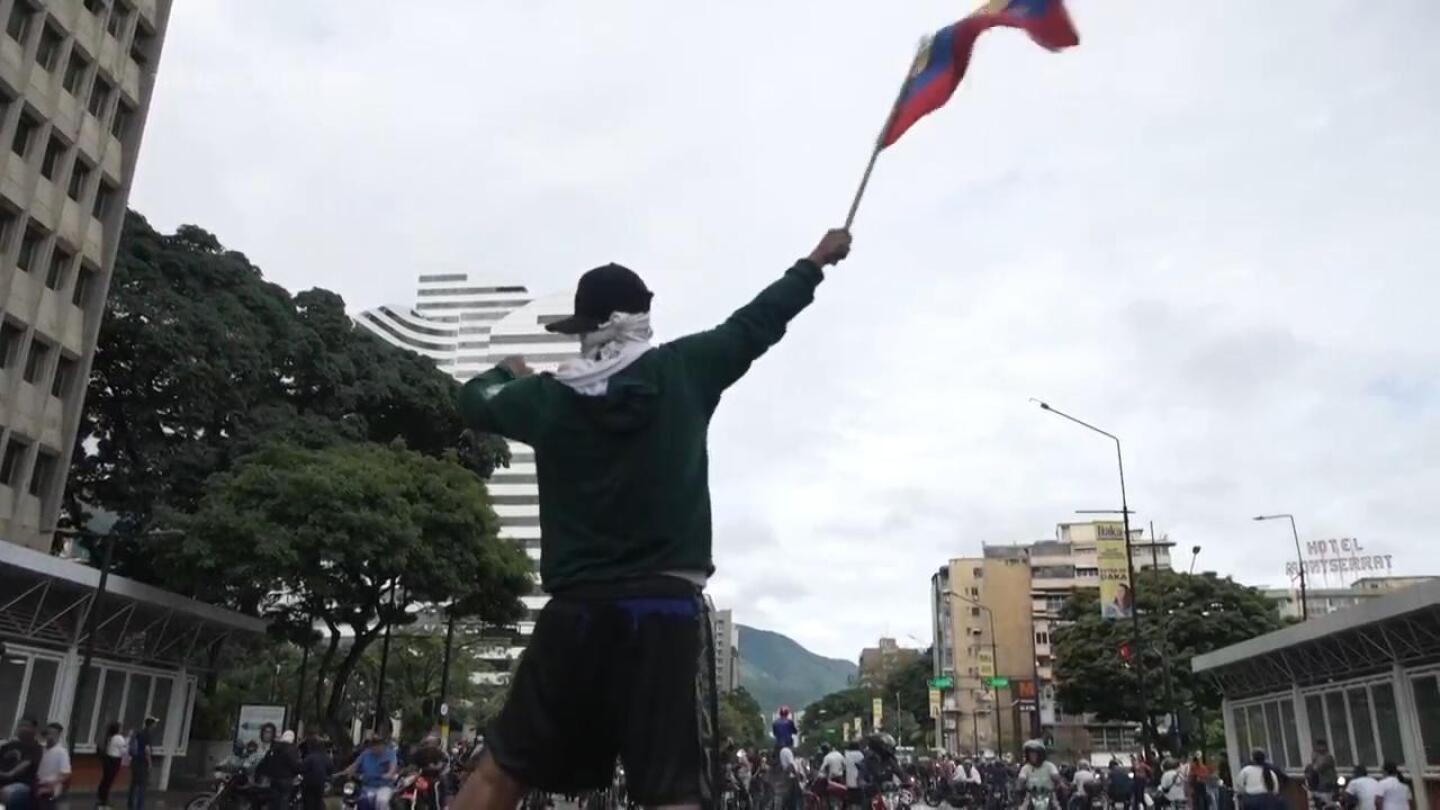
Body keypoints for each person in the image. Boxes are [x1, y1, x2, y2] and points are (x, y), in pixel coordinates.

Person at [448, 228, 854, 810]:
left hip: (576, 613)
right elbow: (758, 322)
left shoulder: (545, 398)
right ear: (642, 319)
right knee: (672, 792)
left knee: (500, 771)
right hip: (663, 613)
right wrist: (814, 263)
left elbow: (471, 402)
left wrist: (509, 372)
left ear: (585, 329)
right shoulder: (685, 370)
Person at [344, 734, 399, 810]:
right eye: (373, 744)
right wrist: (348, 771)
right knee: (356, 800)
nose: (376, 747)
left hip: (384, 786)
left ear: (383, 744)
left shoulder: (391, 754)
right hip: (367, 786)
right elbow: (354, 765)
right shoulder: (365, 754)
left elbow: (391, 771)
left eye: (378, 744)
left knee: (382, 801)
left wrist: (387, 775)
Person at [0, 718, 44, 810]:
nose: (22, 728)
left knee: (6, 793)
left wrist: (10, 774)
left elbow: (26, 763)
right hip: (2, 781)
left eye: (26, 726)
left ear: (34, 730)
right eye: (20, 726)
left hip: (22, 784)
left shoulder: (36, 748)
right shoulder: (7, 746)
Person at [255, 729, 302, 810]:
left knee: (274, 801)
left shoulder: (274, 748)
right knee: (284, 800)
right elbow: (295, 764)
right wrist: (299, 770)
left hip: (273, 779)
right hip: (286, 779)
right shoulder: (291, 749)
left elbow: (265, 762)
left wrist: (262, 774)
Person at [35, 723, 72, 810]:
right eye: (48, 733)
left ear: (58, 735)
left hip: (51, 787)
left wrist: (53, 784)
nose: (50, 736)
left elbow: (66, 774)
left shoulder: (61, 752)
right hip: (38, 783)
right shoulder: (42, 749)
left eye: (53, 733)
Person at [1017, 740, 1062, 810]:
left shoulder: (1049, 766)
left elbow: (1055, 776)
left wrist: (1058, 781)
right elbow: (1021, 779)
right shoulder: (1026, 768)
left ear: (1041, 754)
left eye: (1035, 753)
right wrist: (1019, 785)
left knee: (1058, 808)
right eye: (1030, 754)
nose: (1032, 756)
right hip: (1031, 795)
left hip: (1049, 795)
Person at [127, 716, 157, 810]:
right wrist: (150, 763)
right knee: (142, 786)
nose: (155, 725)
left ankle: (130, 805)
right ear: (151, 725)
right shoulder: (147, 734)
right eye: (155, 723)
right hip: (143, 763)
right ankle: (140, 807)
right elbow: (147, 750)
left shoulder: (139, 733)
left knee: (133, 784)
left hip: (135, 761)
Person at [98, 721, 126, 810]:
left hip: (108, 759)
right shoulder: (119, 738)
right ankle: (104, 801)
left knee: (105, 779)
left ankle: (102, 798)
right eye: (121, 728)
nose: (122, 729)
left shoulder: (111, 737)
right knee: (109, 780)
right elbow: (124, 751)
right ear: (117, 729)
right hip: (115, 760)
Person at [300, 731, 331, 810]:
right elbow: (330, 768)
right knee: (318, 802)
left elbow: (302, 768)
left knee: (308, 803)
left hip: (308, 783)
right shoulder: (326, 757)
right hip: (320, 783)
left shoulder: (310, 757)